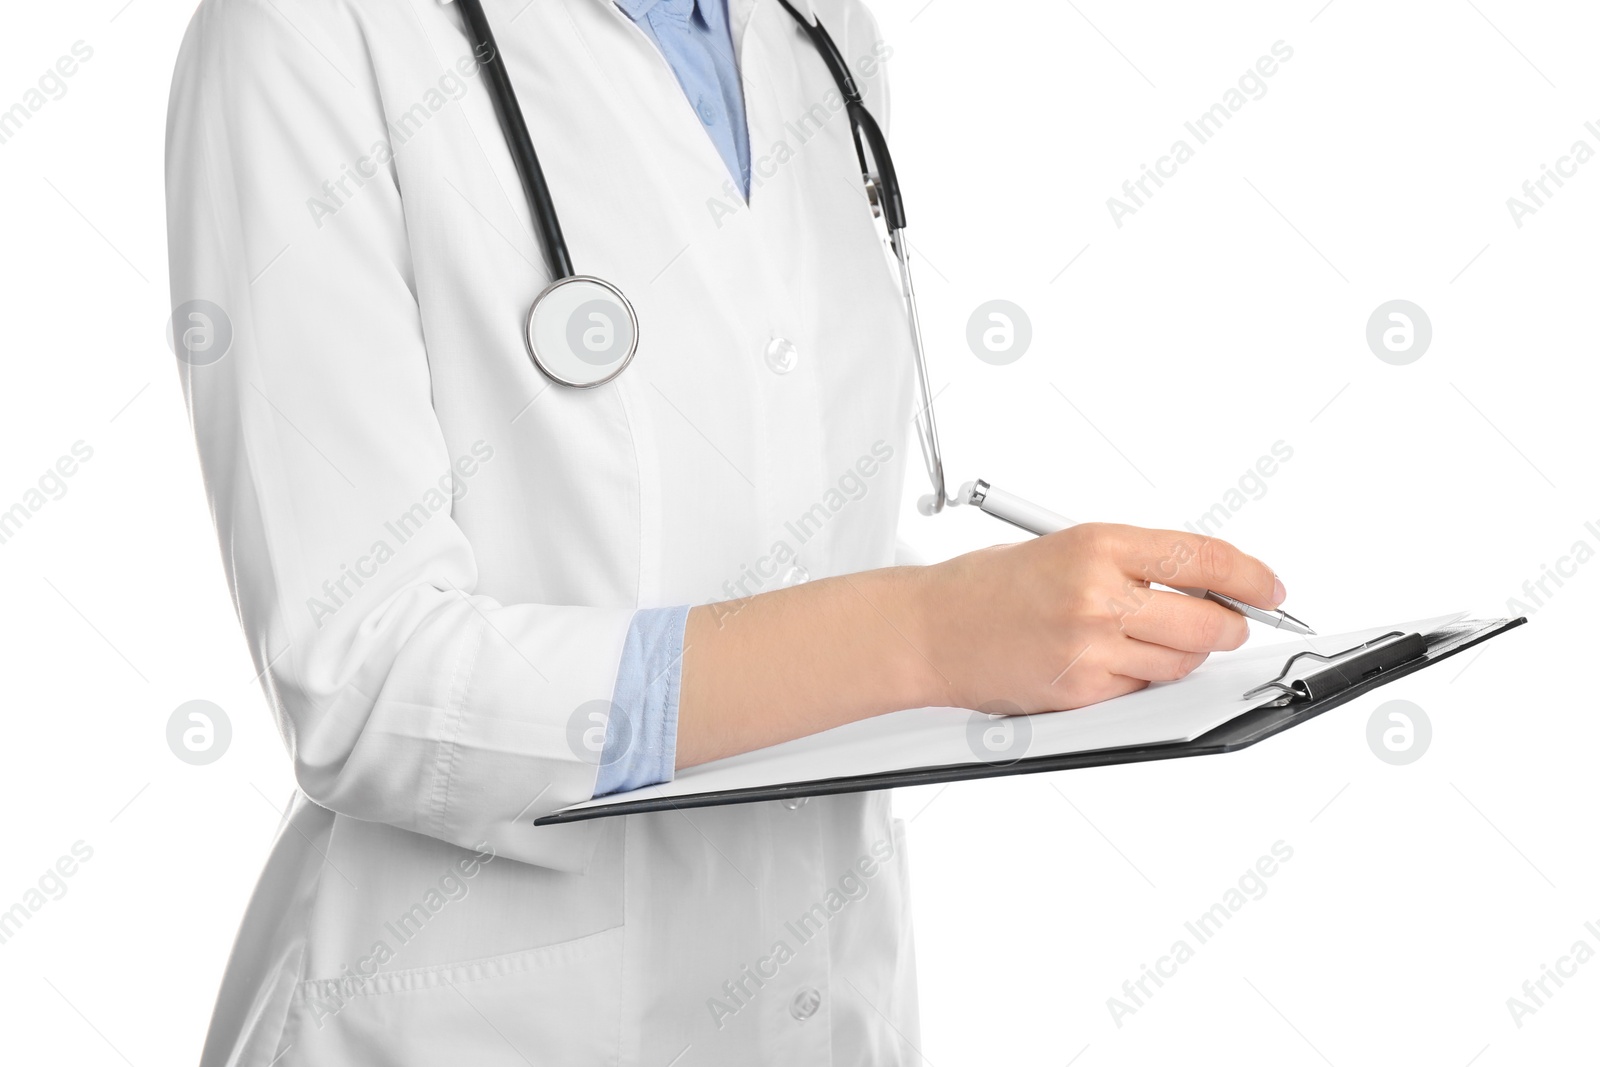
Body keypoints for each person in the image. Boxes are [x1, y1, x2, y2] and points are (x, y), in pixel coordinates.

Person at [164, 0, 1287, 1063]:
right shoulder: (308, 33)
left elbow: (787, 543)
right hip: (474, 1017)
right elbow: (364, 686)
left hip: (825, 993)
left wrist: (1041, 639)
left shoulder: (814, 29)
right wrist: (926, 636)